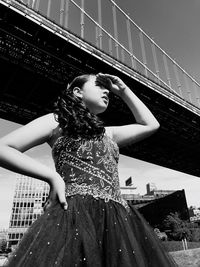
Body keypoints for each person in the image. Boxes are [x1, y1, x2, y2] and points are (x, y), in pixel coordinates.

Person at [0, 73, 177, 266]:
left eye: (107, 89)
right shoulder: (57, 121)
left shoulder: (109, 133)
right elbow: (3, 148)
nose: (106, 91)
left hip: (119, 218)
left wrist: (124, 90)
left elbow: (151, 124)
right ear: (77, 92)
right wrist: (52, 177)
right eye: (100, 85)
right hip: (74, 214)